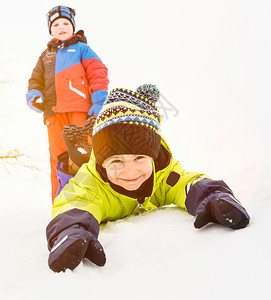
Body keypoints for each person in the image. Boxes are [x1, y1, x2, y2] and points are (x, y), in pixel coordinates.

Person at [45, 84, 251, 273]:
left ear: (152, 156)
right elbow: (74, 203)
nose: (130, 171)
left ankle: (90, 143)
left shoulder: (162, 175)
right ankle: (78, 153)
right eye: (116, 161)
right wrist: (71, 232)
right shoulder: (92, 185)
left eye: (139, 157)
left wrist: (214, 196)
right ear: (102, 163)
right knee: (72, 174)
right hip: (86, 168)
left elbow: (187, 183)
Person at [26, 6, 109, 202]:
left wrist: (97, 103)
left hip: (80, 110)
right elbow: (35, 81)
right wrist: (34, 96)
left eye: (65, 23)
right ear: (50, 30)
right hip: (54, 115)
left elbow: (98, 74)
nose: (61, 27)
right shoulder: (45, 56)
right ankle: (61, 202)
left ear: (73, 27)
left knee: (83, 153)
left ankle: (91, 198)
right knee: (58, 158)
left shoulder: (82, 49)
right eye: (56, 24)